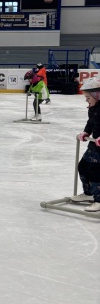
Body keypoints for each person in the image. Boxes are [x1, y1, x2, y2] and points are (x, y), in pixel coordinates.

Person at [70, 77, 100, 212]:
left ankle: (99, 199)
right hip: (95, 145)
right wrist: (86, 132)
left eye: (88, 97)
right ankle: (88, 193)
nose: (86, 100)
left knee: (95, 171)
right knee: (82, 166)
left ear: (97, 95)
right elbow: (91, 122)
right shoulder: (92, 108)